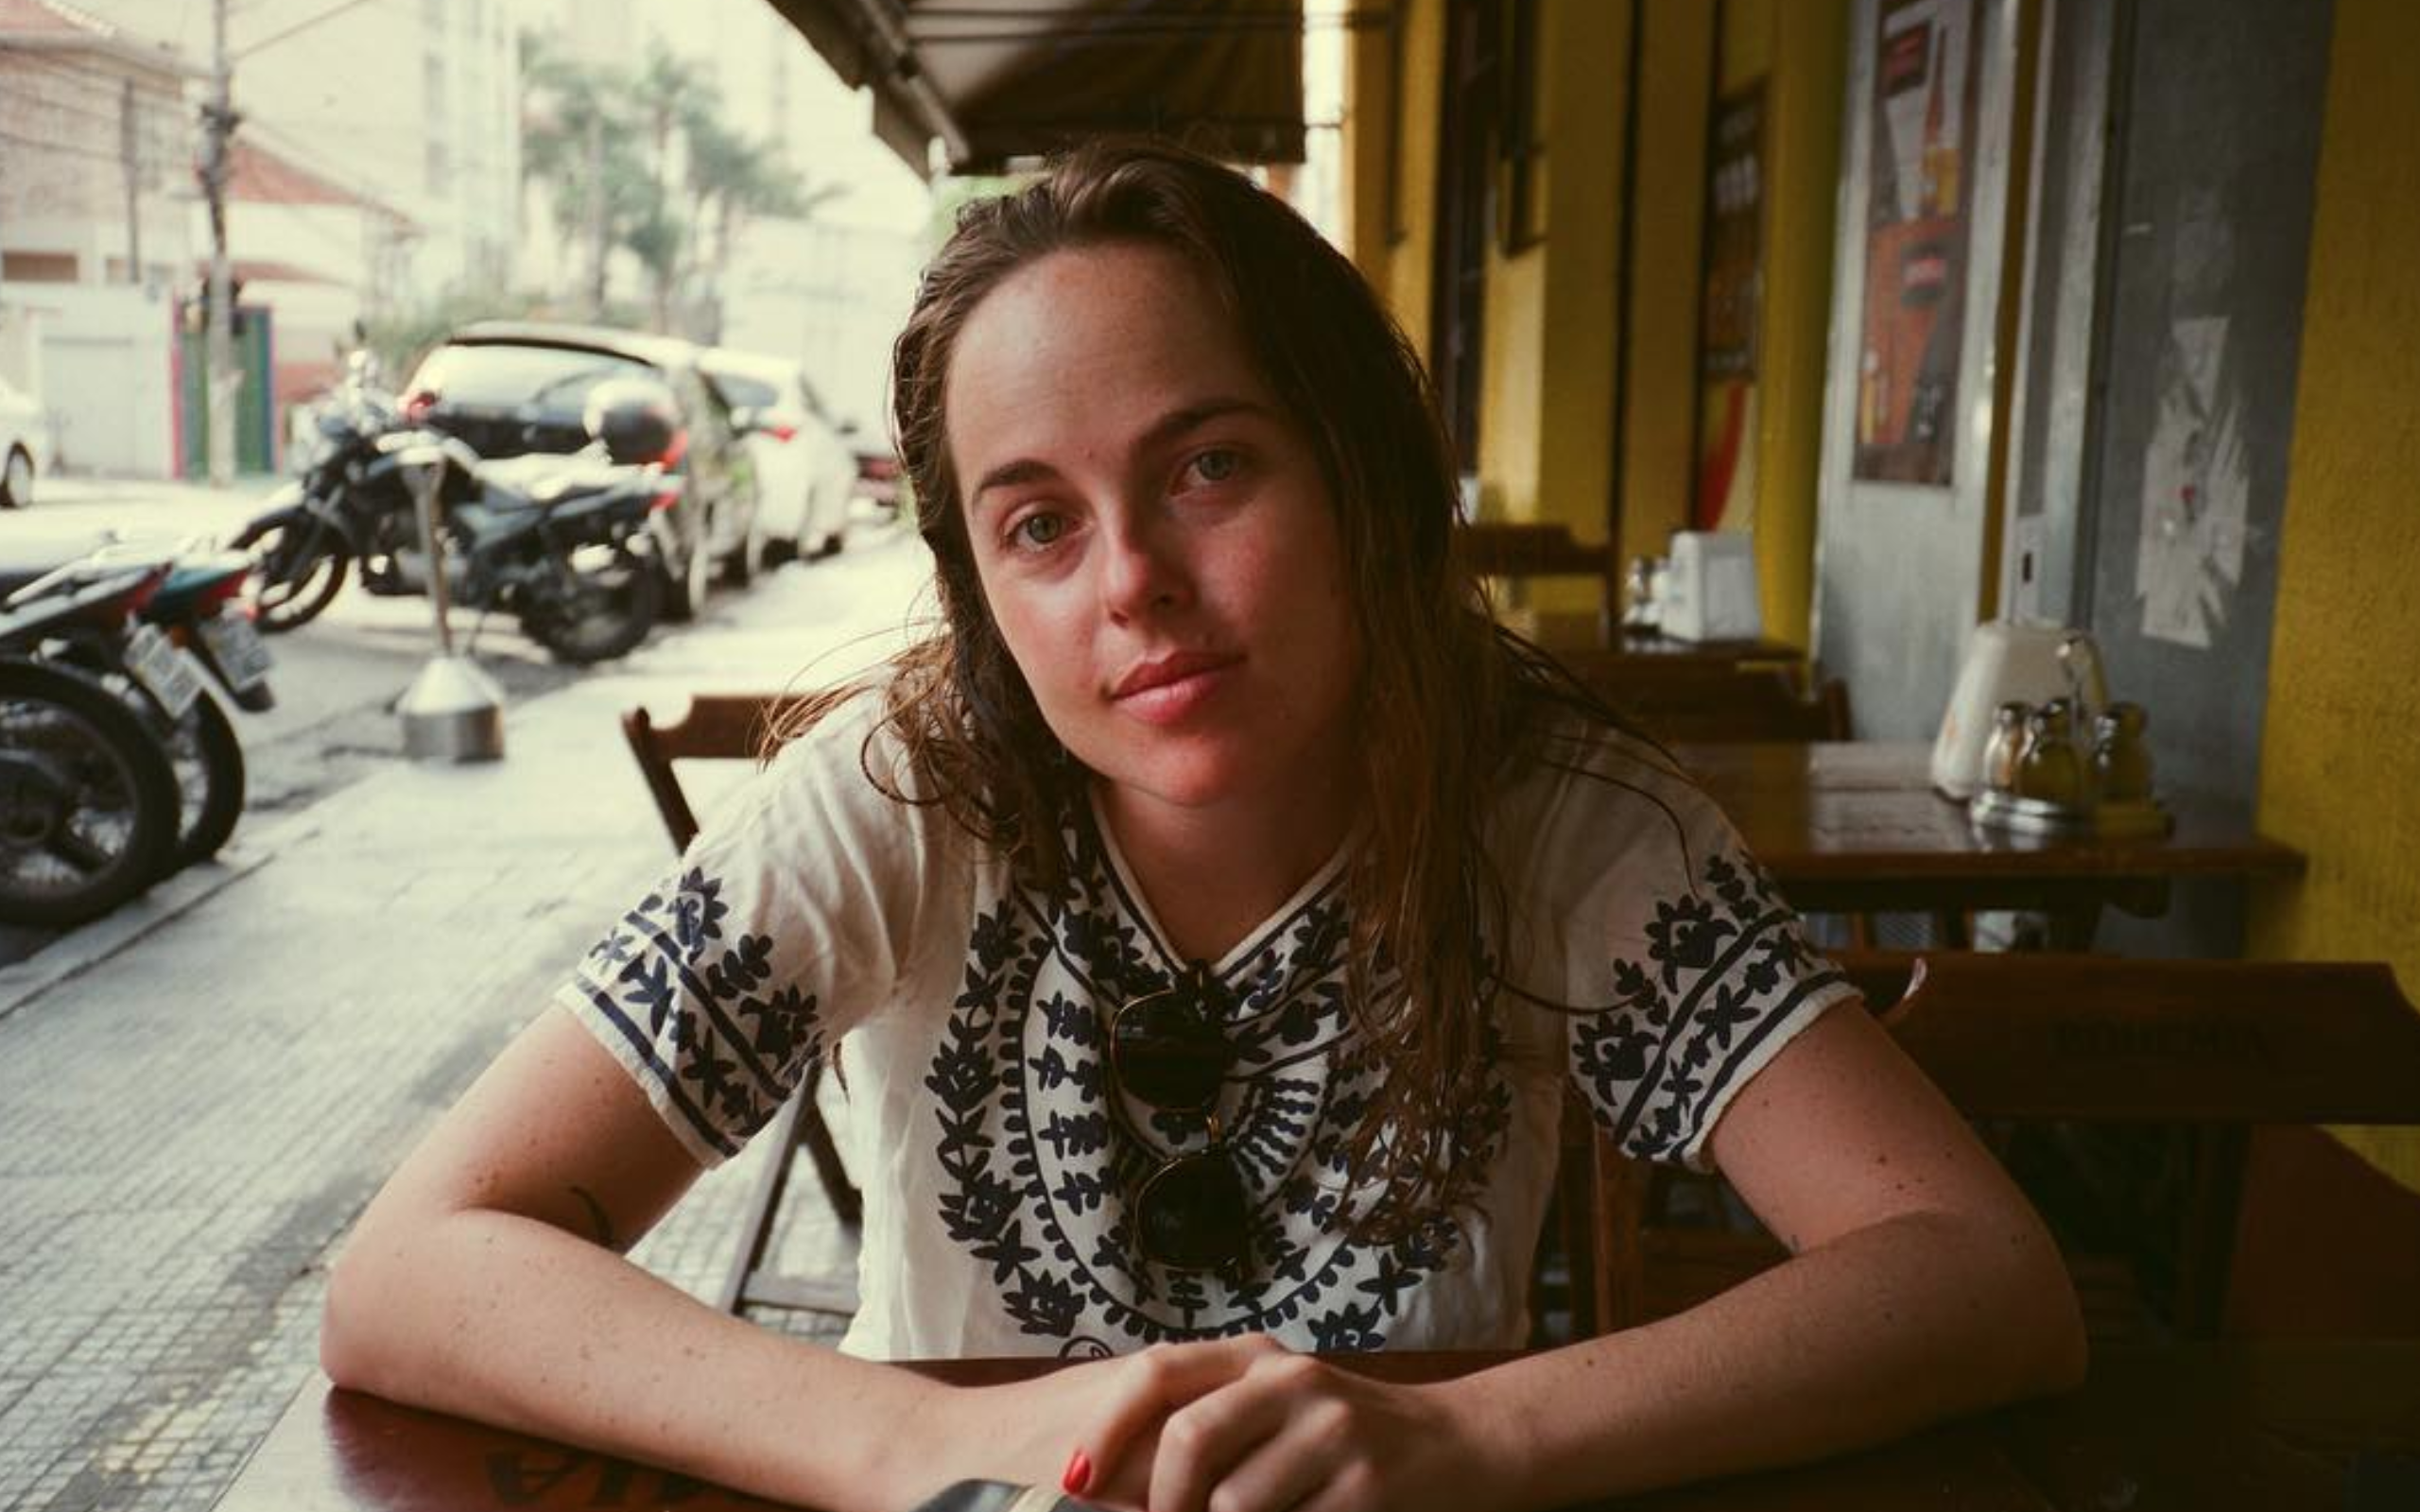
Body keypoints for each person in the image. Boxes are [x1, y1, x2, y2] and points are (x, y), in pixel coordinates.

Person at [320, 140, 2084, 1512]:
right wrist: (911, 1448)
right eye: (1038, 524)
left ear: (1362, 476)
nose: (1134, 587)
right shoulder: (889, 803)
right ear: (978, 582)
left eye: (1209, 467)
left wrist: (1480, 1444)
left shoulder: (1559, 819)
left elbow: (1983, 1277)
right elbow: (407, 1274)